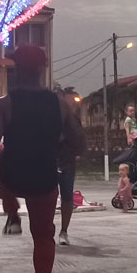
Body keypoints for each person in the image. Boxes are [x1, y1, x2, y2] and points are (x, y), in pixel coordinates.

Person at [0, 45, 73, 273]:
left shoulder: (4, 105)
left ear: (15, 69)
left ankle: (12, 214)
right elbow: (76, 141)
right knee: (44, 236)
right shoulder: (60, 104)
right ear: (43, 69)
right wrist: (61, 158)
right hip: (44, 178)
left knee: (1, 153)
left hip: (13, 175)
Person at [57, 88, 86, 246]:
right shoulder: (47, 119)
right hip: (50, 162)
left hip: (67, 162)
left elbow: (80, 137)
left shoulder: (73, 119)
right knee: (48, 196)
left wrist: (78, 152)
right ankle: (48, 228)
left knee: (67, 197)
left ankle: (64, 231)